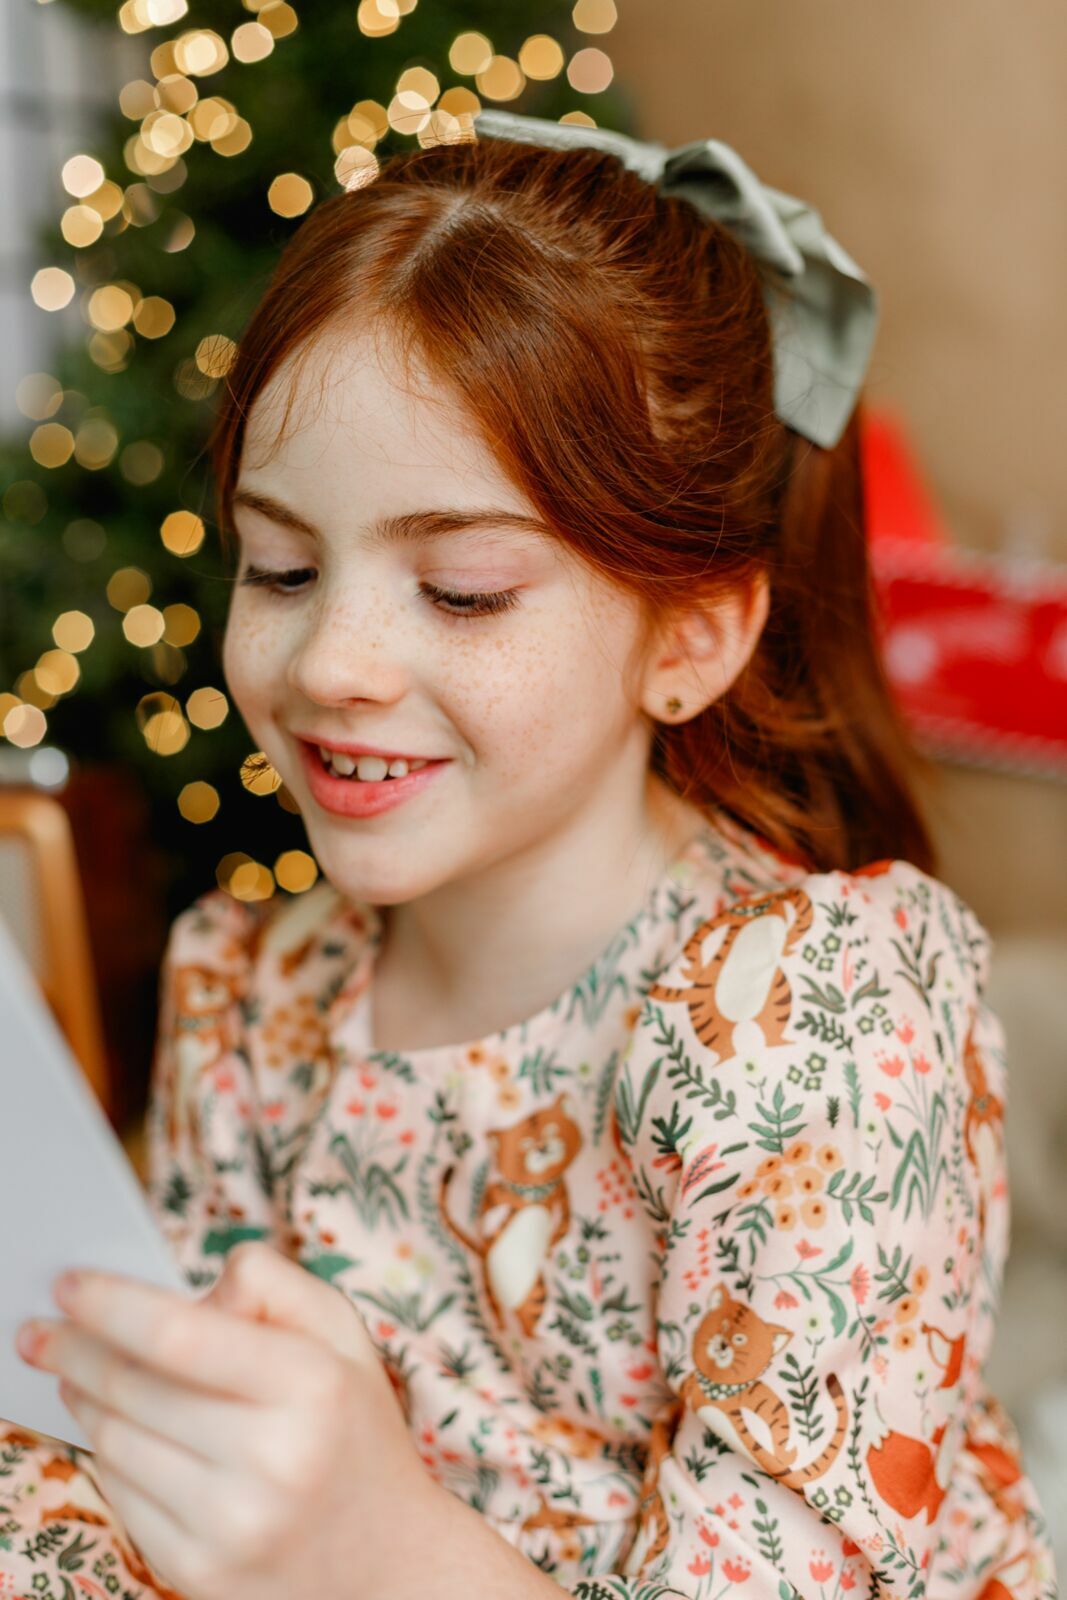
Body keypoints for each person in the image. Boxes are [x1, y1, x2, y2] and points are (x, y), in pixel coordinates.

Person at [3, 110, 1055, 1600]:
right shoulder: (249, 995)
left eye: (464, 590)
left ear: (689, 637)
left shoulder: (816, 1021)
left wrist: (373, 1547)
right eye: (283, 567)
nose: (334, 664)